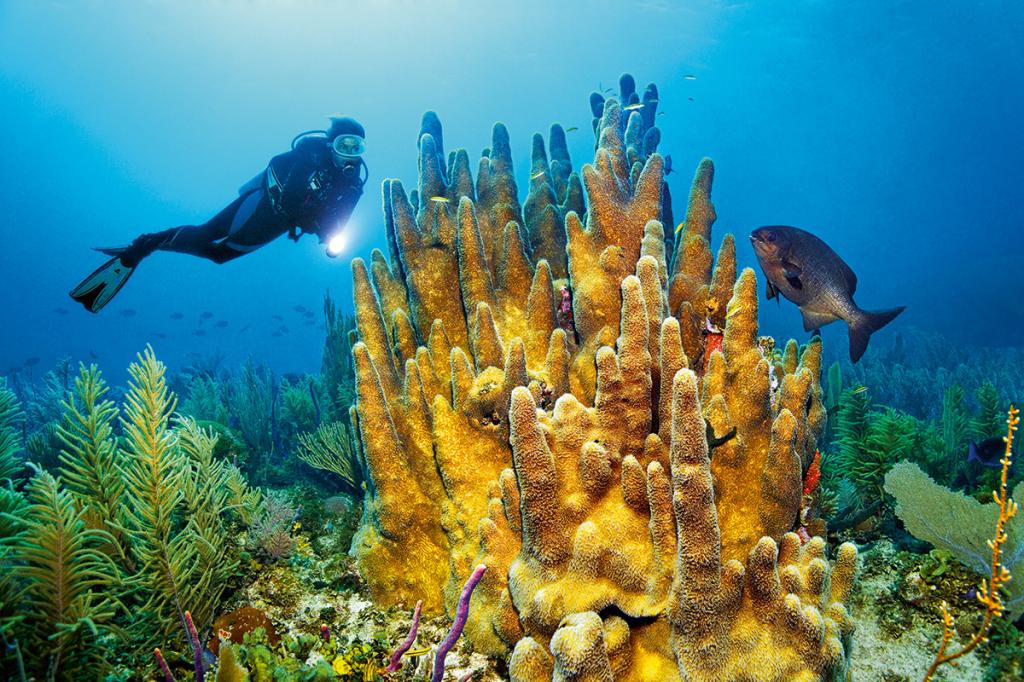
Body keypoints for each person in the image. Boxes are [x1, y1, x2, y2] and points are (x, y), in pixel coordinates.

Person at [70, 116, 367, 313]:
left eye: (357, 147)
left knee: (219, 256)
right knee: (205, 234)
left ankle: (158, 244)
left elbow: (338, 224)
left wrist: (329, 238)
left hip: (278, 225)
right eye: (345, 144)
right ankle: (146, 244)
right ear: (332, 145)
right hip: (264, 204)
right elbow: (285, 184)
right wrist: (311, 217)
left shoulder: (354, 186)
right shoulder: (309, 155)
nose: (350, 152)